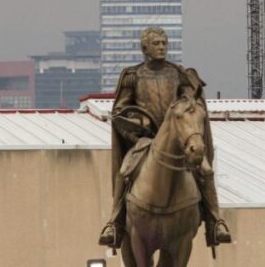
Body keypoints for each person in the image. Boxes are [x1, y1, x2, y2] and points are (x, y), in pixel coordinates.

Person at [98, 26, 232, 249]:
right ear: (145, 48)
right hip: (145, 140)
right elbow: (120, 111)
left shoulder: (179, 74)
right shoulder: (133, 76)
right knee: (124, 171)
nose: (162, 47)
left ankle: (215, 221)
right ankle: (115, 222)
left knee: (206, 169)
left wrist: (189, 115)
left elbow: (191, 103)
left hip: (178, 139)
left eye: (164, 43)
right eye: (156, 43)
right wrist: (136, 127)